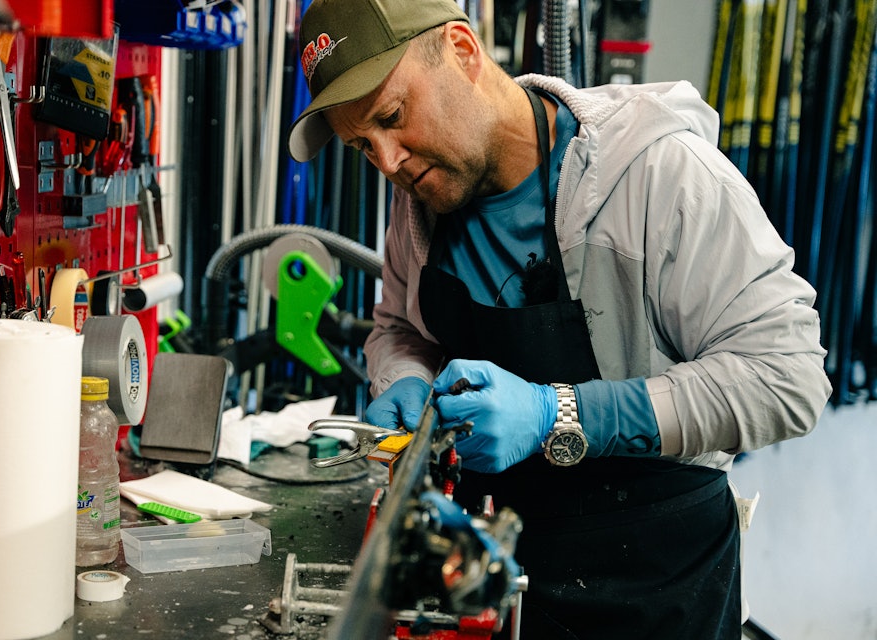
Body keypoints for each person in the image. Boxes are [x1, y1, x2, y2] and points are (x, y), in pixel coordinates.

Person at [288, 0, 831, 637]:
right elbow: (398, 329)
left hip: (656, 583)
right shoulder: (420, 205)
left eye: (392, 116)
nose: (386, 161)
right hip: (495, 574)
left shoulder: (658, 173)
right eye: (361, 146)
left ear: (462, 51)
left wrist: (557, 413)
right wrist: (402, 378)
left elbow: (787, 379)